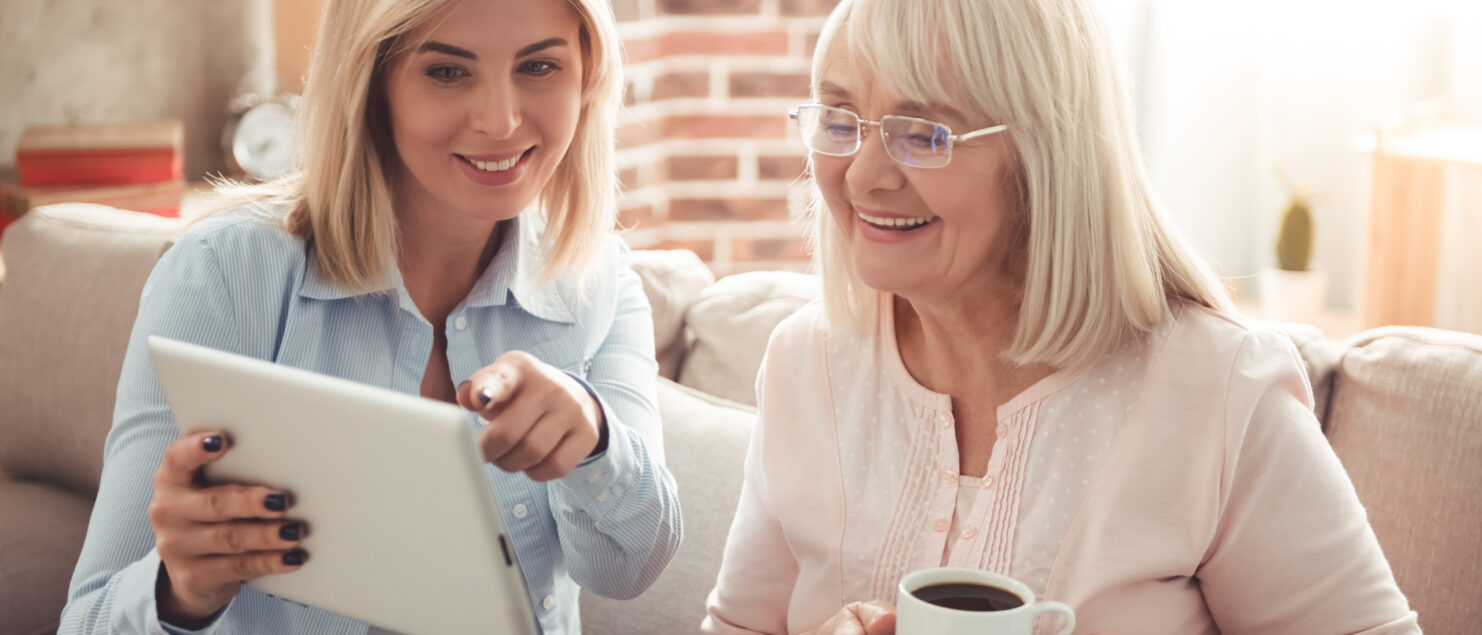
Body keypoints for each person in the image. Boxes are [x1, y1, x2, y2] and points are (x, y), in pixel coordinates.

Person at [702, 0, 1418, 633]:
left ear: (1044, 154)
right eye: (840, 119)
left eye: (922, 132)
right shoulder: (805, 364)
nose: (861, 175)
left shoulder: (1219, 391)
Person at [60, 0, 682, 632]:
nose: (501, 120)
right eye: (446, 72)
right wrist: (180, 592)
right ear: (372, 83)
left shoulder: (597, 278)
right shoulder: (224, 273)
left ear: (588, 77)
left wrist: (595, 443)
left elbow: (627, 569)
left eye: (541, 65)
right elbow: (86, 622)